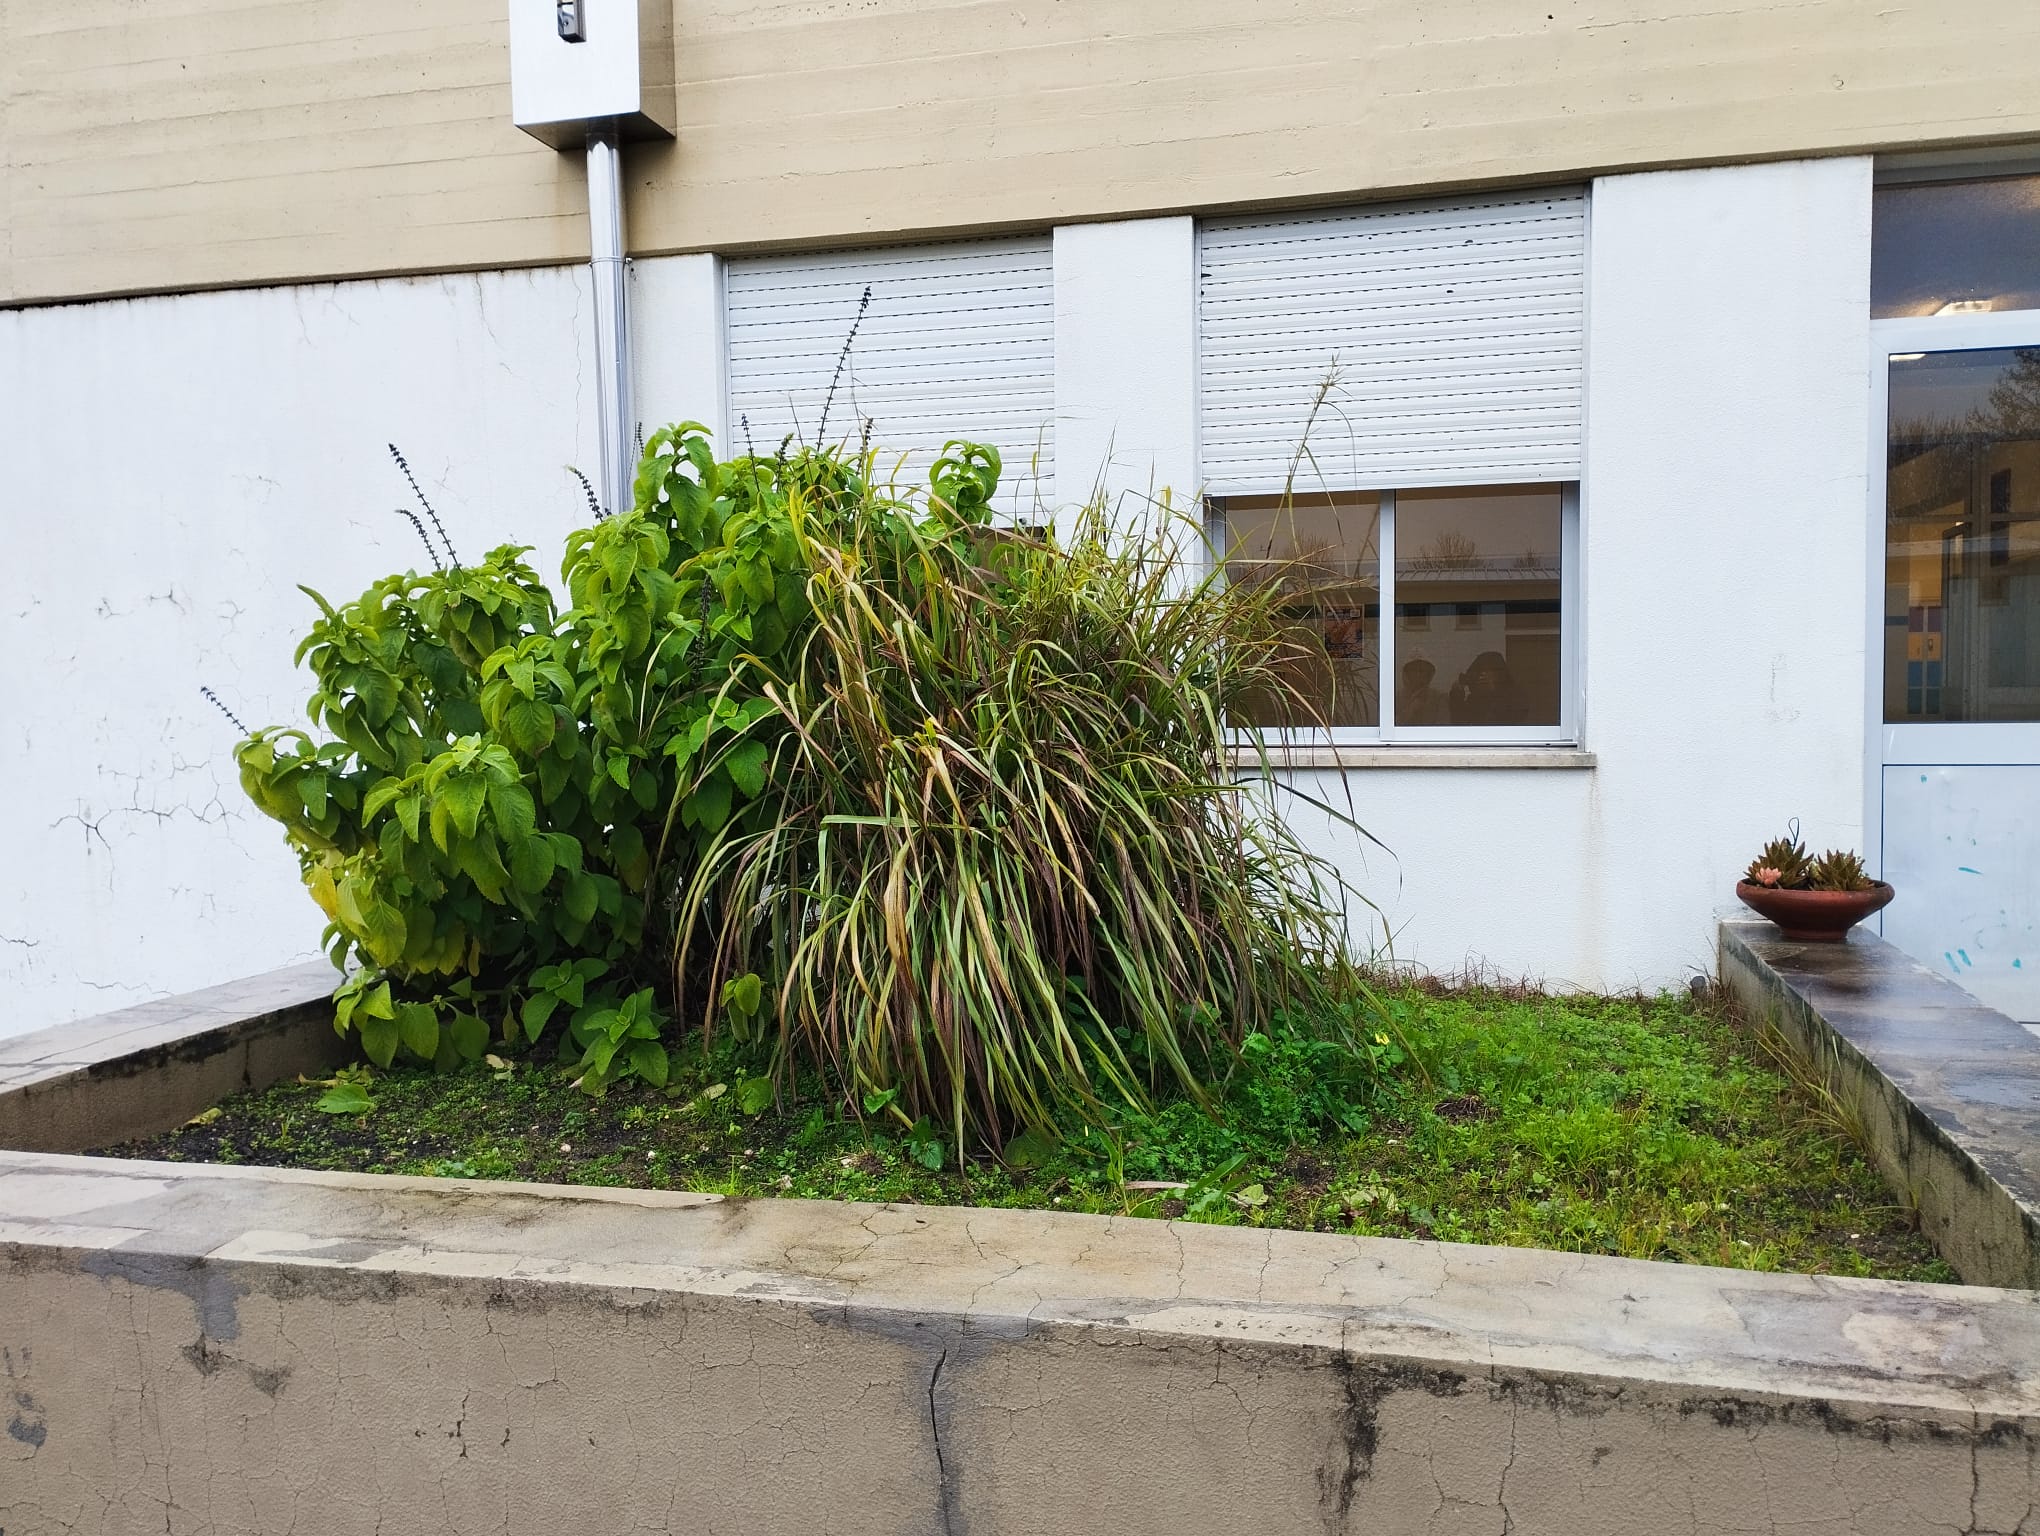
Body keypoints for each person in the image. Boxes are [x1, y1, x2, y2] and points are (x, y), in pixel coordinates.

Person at [1448, 650, 1523, 725]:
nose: (1481, 678)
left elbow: (1511, 719)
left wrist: (1493, 688)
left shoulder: (1514, 696)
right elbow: (1460, 721)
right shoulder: (1475, 698)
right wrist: (1457, 695)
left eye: (1485, 672)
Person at [1395, 657, 1447, 725]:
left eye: (1422, 670)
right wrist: (1410, 711)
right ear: (1407, 673)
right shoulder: (1397, 697)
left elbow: (1444, 726)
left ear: (1428, 674)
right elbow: (1390, 728)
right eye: (1413, 670)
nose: (1418, 674)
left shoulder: (1439, 697)